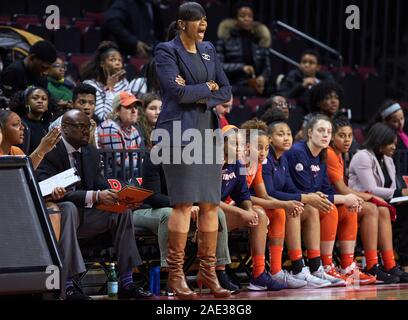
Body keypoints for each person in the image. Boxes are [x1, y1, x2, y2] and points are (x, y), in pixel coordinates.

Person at [153, 2, 232, 299]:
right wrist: (206, 88)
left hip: (207, 132)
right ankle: (176, 276)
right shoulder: (166, 50)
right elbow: (176, 92)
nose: (202, 25)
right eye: (196, 20)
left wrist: (202, 92)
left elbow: (225, 89)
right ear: (182, 23)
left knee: (211, 204)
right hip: (178, 133)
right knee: (183, 204)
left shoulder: (209, 49)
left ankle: (208, 273)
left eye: (205, 20)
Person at [36, 109, 153, 299]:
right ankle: (68, 287)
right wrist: (97, 196)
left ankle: (127, 282)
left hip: (87, 218)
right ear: (64, 128)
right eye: (81, 127)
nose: (86, 132)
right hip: (58, 221)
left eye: (88, 127)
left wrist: (120, 198)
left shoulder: (90, 151)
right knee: (68, 208)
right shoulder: (49, 152)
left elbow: (100, 184)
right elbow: (46, 190)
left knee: (121, 211)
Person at [0, 110, 90, 299]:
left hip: (20, 208)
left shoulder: (16, 151)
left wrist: (49, 192)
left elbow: (26, 179)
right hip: (6, 213)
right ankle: (53, 279)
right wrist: (41, 150)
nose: (22, 127)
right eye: (16, 125)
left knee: (65, 208)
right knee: (52, 210)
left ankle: (65, 280)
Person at [132, 148, 239, 293]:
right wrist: (186, 205)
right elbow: (153, 197)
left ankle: (218, 271)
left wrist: (193, 205)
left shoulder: (193, 157)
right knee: (169, 214)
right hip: (145, 210)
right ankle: (172, 274)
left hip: (181, 208)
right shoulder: (155, 156)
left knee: (217, 213)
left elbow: (204, 192)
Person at [285, 114, 364, 285]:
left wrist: (348, 200)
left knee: (348, 209)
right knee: (330, 208)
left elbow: (325, 189)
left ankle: (347, 265)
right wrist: (344, 197)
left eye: (328, 131)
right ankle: (325, 265)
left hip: (308, 203)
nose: (326, 135)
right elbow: (306, 192)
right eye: (321, 131)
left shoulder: (322, 155)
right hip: (293, 203)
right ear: (310, 132)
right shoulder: (298, 152)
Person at [263, 111, 336, 287]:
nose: (287, 138)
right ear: (270, 139)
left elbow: (291, 188)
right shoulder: (267, 160)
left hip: (278, 205)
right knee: (295, 208)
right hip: (265, 205)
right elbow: (269, 192)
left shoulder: (283, 160)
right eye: (281, 134)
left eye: (288, 134)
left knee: (308, 208)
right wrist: (304, 197)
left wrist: (309, 197)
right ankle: (297, 267)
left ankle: (316, 267)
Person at [327, 116, 397, 283]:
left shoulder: (338, 155)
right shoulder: (330, 154)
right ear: (332, 137)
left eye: (350, 136)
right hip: (331, 202)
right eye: (342, 136)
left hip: (339, 201)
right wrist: (371, 197)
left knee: (382, 209)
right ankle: (371, 264)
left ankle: (389, 264)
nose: (347, 140)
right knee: (373, 208)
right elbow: (343, 190)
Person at [348, 122, 408, 275]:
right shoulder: (362, 156)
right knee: (382, 209)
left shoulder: (387, 159)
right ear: (380, 141)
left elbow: (390, 189)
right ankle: (378, 264)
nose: (394, 147)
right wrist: (400, 192)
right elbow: (372, 189)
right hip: (361, 202)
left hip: (383, 203)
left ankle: (394, 263)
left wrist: (400, 195)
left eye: (395, 143)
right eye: (391, 143)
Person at [216, 1, 271, 97]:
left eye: (250, 16)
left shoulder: (259, 39)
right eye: (242, 16)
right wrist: (241, 67)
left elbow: (267, 67)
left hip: (254, 84)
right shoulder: (225, 39)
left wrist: (262, 78)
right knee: (247, 92)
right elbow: (217, 66)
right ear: (235, 19)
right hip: (232, 83)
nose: (247, 19)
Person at [81, 41, 131, 123]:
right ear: (102, 64)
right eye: (113, 60)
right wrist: (109, 90)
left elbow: (129, 114)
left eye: (119, 60)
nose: (118, 63)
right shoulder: (91, 85)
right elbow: (104, 118)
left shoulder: (124, 84)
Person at [98, 91, 145, 177]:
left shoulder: (134, 130)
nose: (134, 111)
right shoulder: (110, 128)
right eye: (128, 107)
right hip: (110, 177)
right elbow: (121, 163)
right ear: (117, 111)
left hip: (128, 174)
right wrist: (146, 163)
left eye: (135, 107)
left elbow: (139, 155)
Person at [278, 49, 334, 113]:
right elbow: (282, 95)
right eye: (304, 62)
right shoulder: (293, 76)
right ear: (299, 64)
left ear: (318, 67)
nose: (307, 65)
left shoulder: (325, 78)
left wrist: (318, 86)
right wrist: (302, 86)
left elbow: (332, 93)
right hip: (296, 112)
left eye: (311, 63)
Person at [17, 87, 53, 155]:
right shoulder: (20, 124)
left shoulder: (49, 126)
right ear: (27, 103)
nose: (40, 101)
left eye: (44, 99)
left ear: (47, 106)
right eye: (35, 98)